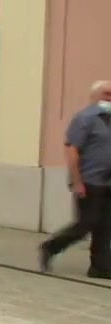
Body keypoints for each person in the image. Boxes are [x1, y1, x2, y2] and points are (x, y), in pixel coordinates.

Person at [40, 80, 111, 279]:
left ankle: (100, 267)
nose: (110, 98)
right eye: (107, 94)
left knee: (105, 227)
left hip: (108, 182)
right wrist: (76, 181)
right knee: (86, 224)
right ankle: (51, 246)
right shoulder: (84, 118)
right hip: (89, 181)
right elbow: (72, 150)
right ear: (95, 97)